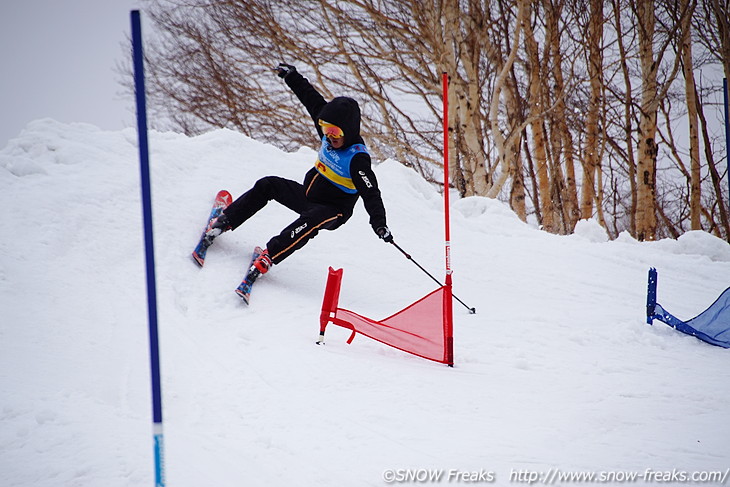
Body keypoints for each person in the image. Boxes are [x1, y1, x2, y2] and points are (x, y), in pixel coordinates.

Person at [205, 62, 393, 288]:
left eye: (336, 132)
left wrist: (379, 223)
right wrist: (291, 77)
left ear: (349, 131)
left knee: (311, 221)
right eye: (326, 129)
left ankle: (269, 256)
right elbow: (311, 100)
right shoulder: (327, 133)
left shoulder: (357, 159)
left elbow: (371, 193)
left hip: (333, 211)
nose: (330, 136)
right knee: (268, 185)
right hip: (308, 195)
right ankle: (225, 221)